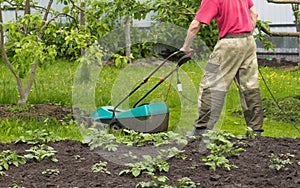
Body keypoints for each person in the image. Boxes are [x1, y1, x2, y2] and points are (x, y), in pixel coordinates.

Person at [180, 0, 264, 136]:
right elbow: (254, 13)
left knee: (211, 84)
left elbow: (195, 25)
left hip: (228, 44)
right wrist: (246, 35)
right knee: (249, 86)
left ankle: (202, 128)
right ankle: (255, 130)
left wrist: (186, 47)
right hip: (248, 41)